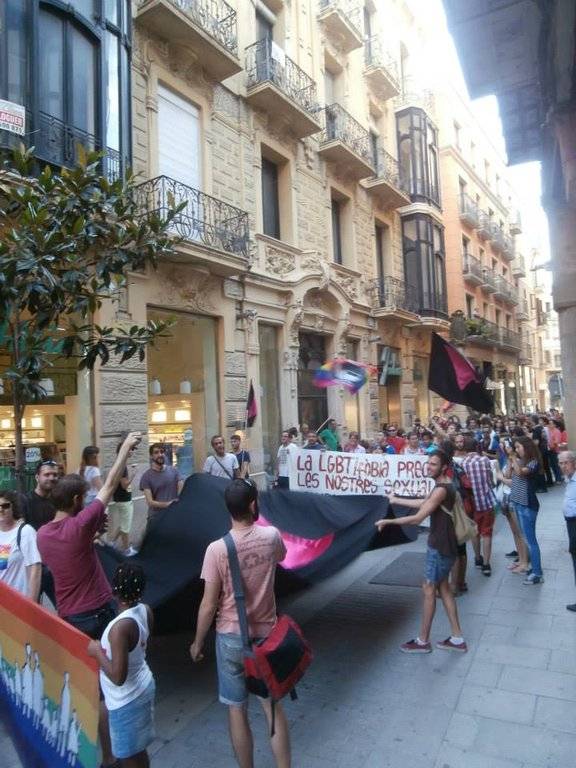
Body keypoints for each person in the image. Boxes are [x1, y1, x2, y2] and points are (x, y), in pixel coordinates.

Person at [38, 432, 142, 768]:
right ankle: (119, 753)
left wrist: (94, 531)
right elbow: (110, 486)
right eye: (83, 498)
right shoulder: (78, 526)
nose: (87, 501)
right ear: (74, 502)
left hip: (70, 618)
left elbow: (75, 547)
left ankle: (104, 754)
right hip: (98, 613)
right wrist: (125, 448)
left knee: (90, 690)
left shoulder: (43, 535)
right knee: (114, 686)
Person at [190, 480, 290, 768]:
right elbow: (281, 558)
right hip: (266, 636)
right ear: (252, 504)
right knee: (272, 709)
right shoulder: (272, 536)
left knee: (237, 711)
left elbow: (208, 604)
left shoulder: (216, 550)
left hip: (231, 637)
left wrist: (198, 643)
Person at [375, 450, 467, 654]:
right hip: (444, 544)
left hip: (440, 546)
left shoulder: (442, 489)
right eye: (428, 463)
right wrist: (396, 499)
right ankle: (457, 638)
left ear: (443, 467)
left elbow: (418, 518)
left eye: (433, 464)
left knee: (428, 589)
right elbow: (423, 502)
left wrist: (389, 521)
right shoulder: (443, 485)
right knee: (443, 589)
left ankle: (423, 640)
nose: (429, 467)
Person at [88, 563, 155, 768]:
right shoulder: (146, 610)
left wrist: (97, 652)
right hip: (143, 686)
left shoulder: (119, 629)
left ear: (113, 590)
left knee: (128, 756)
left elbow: (118, 677)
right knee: (138, 748)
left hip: (126, 700)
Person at [502, 436, 544, 584]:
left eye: (519, 447)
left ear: (527, 447)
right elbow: (508, 475)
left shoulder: (534, 462)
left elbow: (520, 473)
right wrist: (509, 459)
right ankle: (532, 567)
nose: (517, 449)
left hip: (528, 505)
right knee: (525, 537)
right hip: (518, 503)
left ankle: (537, 573)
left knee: (531, 540)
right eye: (515, 447)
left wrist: (513, 458)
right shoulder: (518, 460)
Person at [462, 437, 496, 576]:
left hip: (471, 503)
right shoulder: (485, 461)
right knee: (486, 533)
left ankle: (477, 558)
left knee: (474, 532)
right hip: (486, 501)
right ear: (477, 447)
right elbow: (490, 480)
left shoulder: (463, 463)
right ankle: (487, 564)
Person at [0, 491, 41, 602]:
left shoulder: (25, 532)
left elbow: (35, 568)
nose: (1, 509)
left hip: (18, 604)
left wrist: (31, 605)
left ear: (13, 507)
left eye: (5, 506)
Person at [108, 441, 138, 557]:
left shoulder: (120, 464)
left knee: (123, 524)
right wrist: (134, 474)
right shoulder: (122, 466)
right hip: (124, 500)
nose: (132, 451)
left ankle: (111, 543)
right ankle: (127, 549)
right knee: (126, 527)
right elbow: (125, 485)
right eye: (130, 449)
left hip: (121, 499)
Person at [140, 443, 182, 519]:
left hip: (173, 514)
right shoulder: (146, 476)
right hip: (156, 517)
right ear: (151, 456)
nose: (160, 454)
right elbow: (150, 502)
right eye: (156, 452)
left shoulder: (174, 471)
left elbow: (181, 492)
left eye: (162, 452)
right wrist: (168, 504)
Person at [559, 451, 576, 611]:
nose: (563, 466)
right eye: (561, 463)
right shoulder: (569, 479)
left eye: (566, 463)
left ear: (574, 463)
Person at [23, 459, 58, 531]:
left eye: (55, 475)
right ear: (37, 477)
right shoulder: (25, 501)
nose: (51, 478)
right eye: (47, 474)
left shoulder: (59, 500)